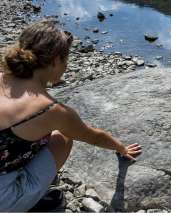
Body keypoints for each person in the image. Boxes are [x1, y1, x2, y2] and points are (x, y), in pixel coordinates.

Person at [0, 20, 142, 212]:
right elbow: (93, 136)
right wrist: (121, 148)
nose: (67, 65)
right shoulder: (50, 110)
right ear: (56, 60)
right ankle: (29, 202)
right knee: (62, 138)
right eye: (66, 59)